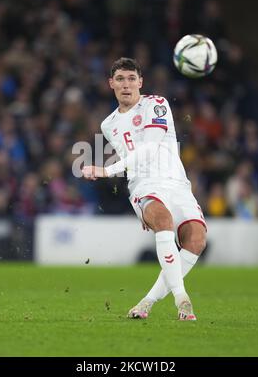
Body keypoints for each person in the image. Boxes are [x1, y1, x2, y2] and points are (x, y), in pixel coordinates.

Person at [82, 57, 206, 321]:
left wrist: (105, 170)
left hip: (176, 182)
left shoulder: (156, 104)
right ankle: (182, 300)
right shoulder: (108, 124)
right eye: (120, 79)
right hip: (145, 184)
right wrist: (143, 208)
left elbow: (148, 149)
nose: (126, 85)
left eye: (131, 78)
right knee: (163, 220)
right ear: (110, 84)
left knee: (196, 240)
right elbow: (132, 160)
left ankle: (146, 302)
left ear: (140, 82)